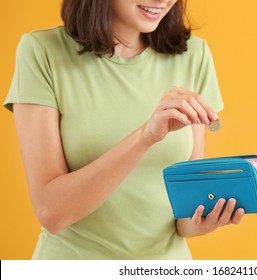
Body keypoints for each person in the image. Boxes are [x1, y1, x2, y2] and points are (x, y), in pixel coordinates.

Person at [4, 0, 244, 259]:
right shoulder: (42, 52)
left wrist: (200, 220)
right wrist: (146, 136)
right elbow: (51, 212)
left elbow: (183, 217)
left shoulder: (193, 55)